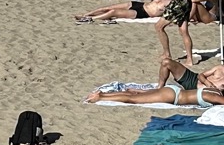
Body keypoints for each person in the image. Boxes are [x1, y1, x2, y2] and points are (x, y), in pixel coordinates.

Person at [87, 57, 224, 106]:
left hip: (175, 93)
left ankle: (103, 95)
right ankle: (101, 97)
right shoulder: (214, 95)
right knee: (134, 99)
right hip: (173, 96)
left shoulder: (213, 94)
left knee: (135, 97)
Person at [75, 0, 176, 23]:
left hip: (142, 12)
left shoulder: (172, 6)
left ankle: (92, 19)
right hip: (138, 4)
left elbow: (170, 17)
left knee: (113, 12)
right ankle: (85, 14)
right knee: (107, 7)